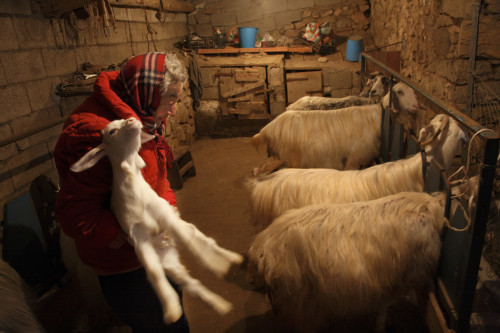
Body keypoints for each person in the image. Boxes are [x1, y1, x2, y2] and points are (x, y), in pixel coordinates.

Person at [54, 52, 190, 333]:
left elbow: (156, 177)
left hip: (154, 250)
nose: (175, 110)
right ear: (150, 94)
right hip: (127, 266)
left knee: (173, 310)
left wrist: (167, 207)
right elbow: (75, 214)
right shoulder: (100, 135)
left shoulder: (142, 115)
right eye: (172, 100)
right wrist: (128, 237)